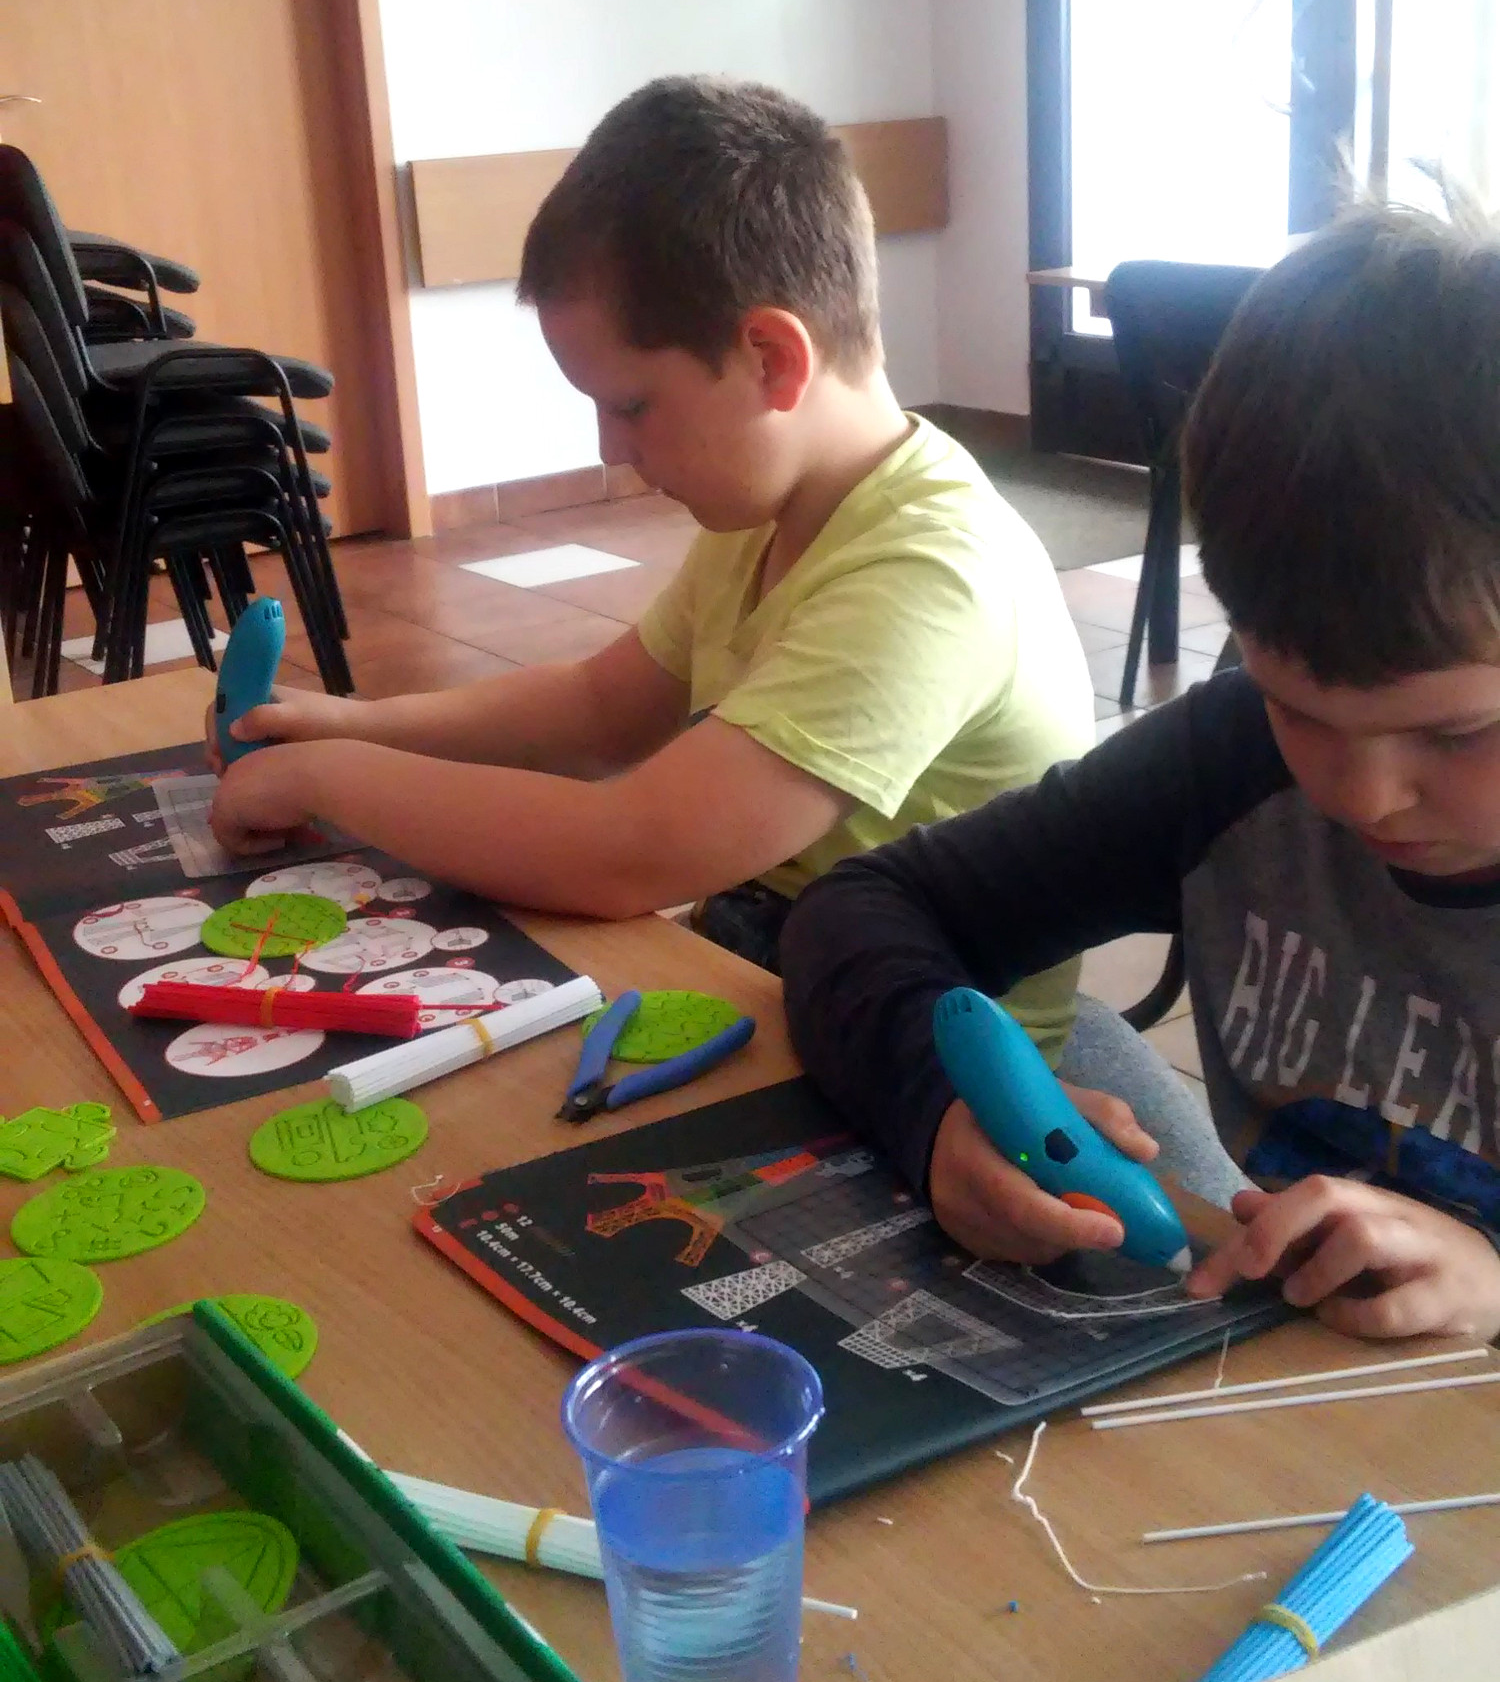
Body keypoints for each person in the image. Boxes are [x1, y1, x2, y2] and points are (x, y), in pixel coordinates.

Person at [208, 75, 1113, 1074]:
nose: (609, 449)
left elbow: (632, 852)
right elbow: (601, 710)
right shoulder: (772, 508)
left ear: (772, 358)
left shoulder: (928, 572)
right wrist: (356, 725)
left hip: (935, 1067)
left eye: (631, 406)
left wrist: (327, 778)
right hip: (787, 974)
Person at [782, 192, 1500, 1343]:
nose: (1361, 795)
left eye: (1457, 734)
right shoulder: (1228, 761)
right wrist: (940, 1115)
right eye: (1297, 707)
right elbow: (862, 908)